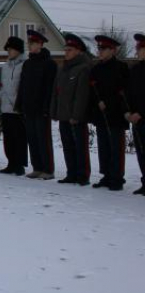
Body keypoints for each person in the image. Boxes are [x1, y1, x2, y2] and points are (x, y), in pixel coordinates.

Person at [89, 35, 130, 191]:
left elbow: (123, 91)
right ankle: (106, 174)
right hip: (101, 114)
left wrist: (109, 103)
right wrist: (96, 103)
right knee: (103, 146)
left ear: (113, 50)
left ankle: (117, 177)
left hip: (116, 115)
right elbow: (92, 90)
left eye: (103, 49)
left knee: (116, 147)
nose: (100, 51)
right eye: (99, 48)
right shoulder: (96, 69)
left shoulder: (121, 68)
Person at [50, 34, 92, 185]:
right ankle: (71, 172)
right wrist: (54, 111)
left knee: (80, 146)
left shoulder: (83, 68)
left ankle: (82, 175)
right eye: (65, 49)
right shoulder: (62, 69)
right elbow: (56, 92)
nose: (66, 52)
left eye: (69, 50)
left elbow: (81, 95)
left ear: (78, 51)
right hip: (63, 114)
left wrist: (76, 114)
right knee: (67, 145)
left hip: (75, 116)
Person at [15, 31, 57, 178]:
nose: (30, 46)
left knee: (43, 138)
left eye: (32, 43)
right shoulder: (27, 64)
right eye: (29, 43)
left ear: (40, 44)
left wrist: (46, 107)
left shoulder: (49, 64)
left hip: (41, 108)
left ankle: (48, 169)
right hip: (28, 107)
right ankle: (37, 167)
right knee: (32, 138)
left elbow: (49, 88)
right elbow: (23, 85)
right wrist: (19, 104)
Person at [0, 37, 29, 176]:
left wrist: (18, 101)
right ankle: (11, 162)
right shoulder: (5, 66)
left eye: (11, 49)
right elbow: (3, 86)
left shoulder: (24, 64)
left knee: (19, 137)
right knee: (8, 137)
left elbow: (23, 87)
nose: (8, 52)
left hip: (17, 107)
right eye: (8, 50)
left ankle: (19, 164)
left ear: (18, 50)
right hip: (6, 107)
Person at [125, 33, 145, 195]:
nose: (137, 51)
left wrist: (141, 112)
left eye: (139, 48)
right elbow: (129, 93)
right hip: (136, 119)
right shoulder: (135, 69)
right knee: (141, 151)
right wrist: (130, 112)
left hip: (143, 116)